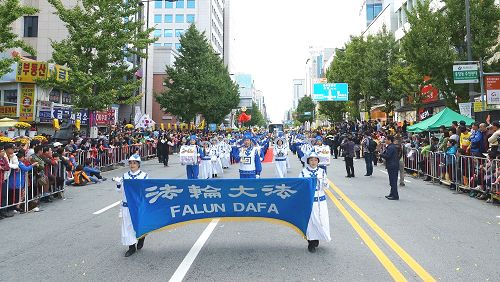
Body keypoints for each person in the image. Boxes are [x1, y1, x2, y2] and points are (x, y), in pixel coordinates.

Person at [115, 154, 149, 257]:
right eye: (130, 163)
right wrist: (118, 184)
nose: (132, 165)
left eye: (134, 163)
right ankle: (131, 247)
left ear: (138, 164)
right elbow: (119, 190)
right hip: (127, 205)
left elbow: (147, 191)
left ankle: (141, 238)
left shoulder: (144, 176)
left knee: (139, 224)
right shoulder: (125, 176)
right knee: (127, 226)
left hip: (138, 205)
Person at [298, 152, 331, 253]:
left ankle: (317, 238)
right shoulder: (303, 172)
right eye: (311, 160)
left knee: (321, 220)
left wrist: (323, 182)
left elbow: (326, 185)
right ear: (308, 161)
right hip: (309, 200)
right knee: (311, 221)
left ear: (318, 161)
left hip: (321, 200)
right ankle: (311, 241)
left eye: (315, 160)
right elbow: (300, 186)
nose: (313, 162)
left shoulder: (322, 171)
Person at [380, 136, 400, 200]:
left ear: (389, 140)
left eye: (386, 139)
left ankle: (395, 195)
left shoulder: (391, 147)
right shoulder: (390, 147)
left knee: (393, 181)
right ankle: (392, 193)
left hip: (392, 165)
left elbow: (388, 156)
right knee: (392, 181)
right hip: (392, 165)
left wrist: (381, 155)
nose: (385, 140)